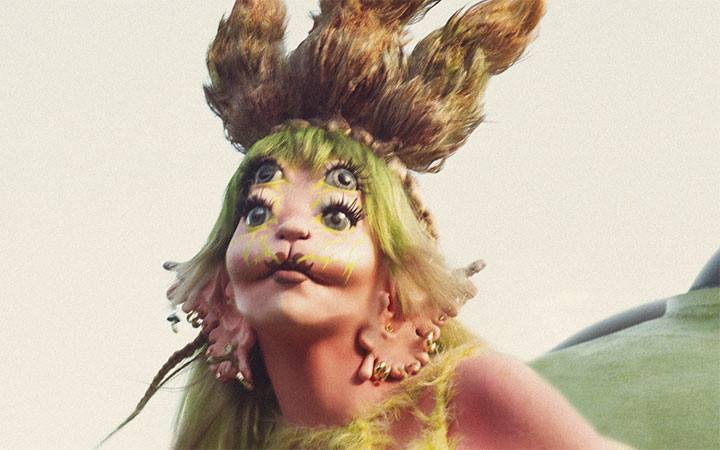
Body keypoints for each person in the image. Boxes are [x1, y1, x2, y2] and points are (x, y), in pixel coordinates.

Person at [109, 0, 626, 448]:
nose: (290, 228)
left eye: (336, 216)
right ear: (222, 285)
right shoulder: (228, 433)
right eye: (258, 212)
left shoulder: (470, 394)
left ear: (396, 279)